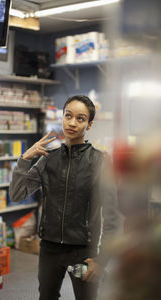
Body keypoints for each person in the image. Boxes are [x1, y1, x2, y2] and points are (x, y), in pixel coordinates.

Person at [9, 95, 121, 300]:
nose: (72, 122)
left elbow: (114, 217)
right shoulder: (47, 159)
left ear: (89, 124)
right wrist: (25, 158)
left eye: (80, 118)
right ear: (62, 117)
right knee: (47, 296)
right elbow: (17, 194)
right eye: (68, 115)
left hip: (81, 254)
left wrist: (101, 260)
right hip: (49, 251)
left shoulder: (99, 161)